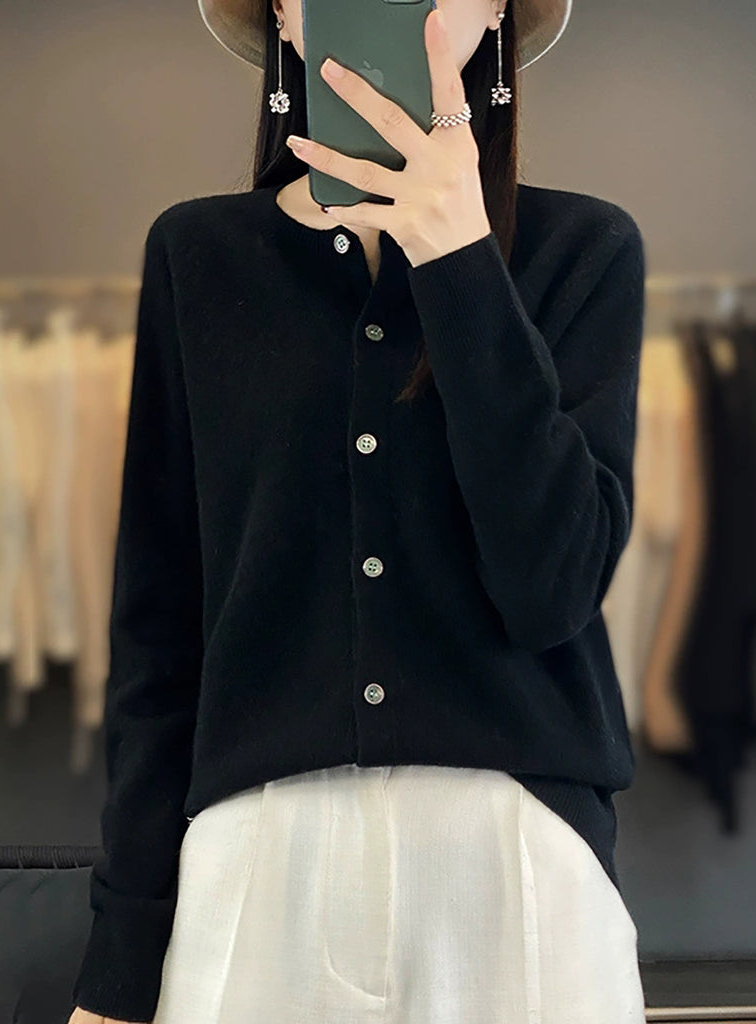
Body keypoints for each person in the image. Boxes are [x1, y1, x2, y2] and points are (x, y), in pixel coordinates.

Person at [69, 0, 647, 1021]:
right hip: (257, 864)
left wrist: (461, 261)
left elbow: (554, 586)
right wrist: (120, 968)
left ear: (496, 11)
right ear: (285, 16)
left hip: (515, 864)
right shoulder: (198, 256)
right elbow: (160, 634)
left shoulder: (584, 250)